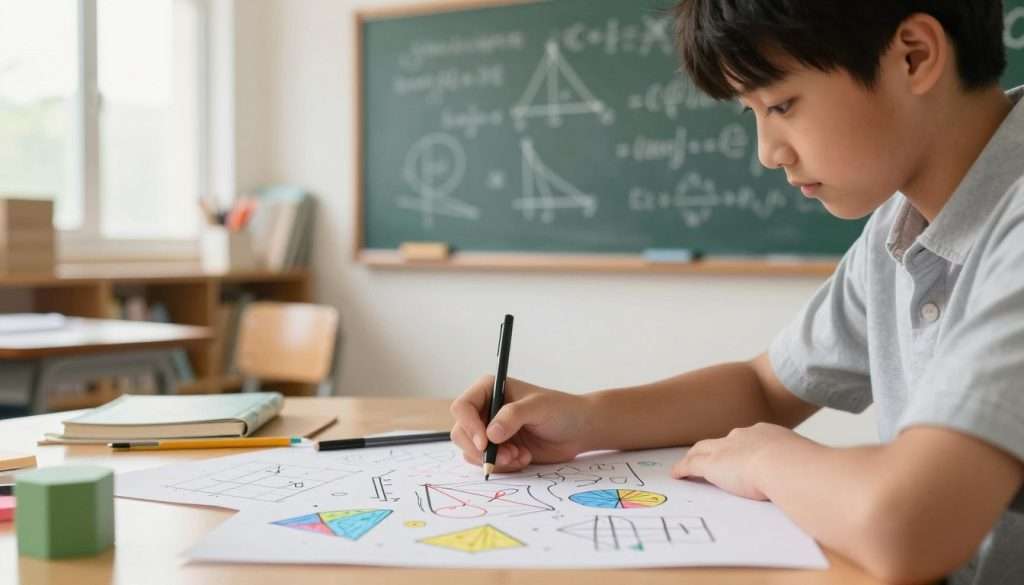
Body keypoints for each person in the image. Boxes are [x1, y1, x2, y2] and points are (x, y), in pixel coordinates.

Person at [449, 2, 1024, 584]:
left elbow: (910, 526)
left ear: (914, 56)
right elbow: (765, 387)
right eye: (752, 112)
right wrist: (585, 419)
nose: (768, 151)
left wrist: (767, 458)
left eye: (780, 105)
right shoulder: (900, 226)